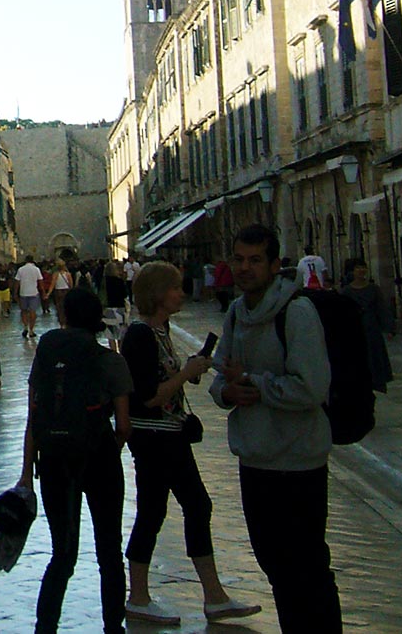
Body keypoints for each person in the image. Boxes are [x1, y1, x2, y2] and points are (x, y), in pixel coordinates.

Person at [209, 224, 342, 631]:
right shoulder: (236, 312)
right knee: (274, 565)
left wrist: (255, 384)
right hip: (255, 460)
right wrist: (229, 392)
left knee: (307, 568)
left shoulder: (296, 313)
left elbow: (312, 386)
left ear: (273, 265)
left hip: (298, 462)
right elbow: (220, 378)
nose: (245, 268)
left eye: (255, 260)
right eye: (239, 259)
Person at [121, 263, 260, 625]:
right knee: (159, 511)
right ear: (158, 293)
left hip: (171, 434)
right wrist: (185, 373)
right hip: (153, 436)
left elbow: (165, 380)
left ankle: (212, 596)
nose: (182, 293)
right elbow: (148, 397)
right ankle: (140, 596)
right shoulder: (139, 335)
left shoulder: (160, 330)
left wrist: (193, 369)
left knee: (194, 506)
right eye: (175, 288)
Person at [19, 289, 131, 634]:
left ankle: (45, 628)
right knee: (109, 552)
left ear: (65, 317)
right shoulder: (111, 361)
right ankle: (113, 627)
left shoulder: (46, 357)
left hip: (54, 460)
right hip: (100, 459)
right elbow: (124, 425)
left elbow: (33, 416)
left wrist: (26, 472)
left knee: (62, 554)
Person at [339, 259, 393, 394]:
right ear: (352, 271)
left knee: (374, 358)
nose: (361, 270)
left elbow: (382, 309)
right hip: (355, 331)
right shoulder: (346, 292)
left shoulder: (374, 289)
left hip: (372, 330)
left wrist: (388, 328)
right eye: (358, 268)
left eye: (363, 267)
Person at [15, 255, 44, 340]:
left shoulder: (20, 269)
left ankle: (25, 327)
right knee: (32, 311)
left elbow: (17, 281)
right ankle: (31, 330)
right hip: (33, 292)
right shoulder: (36, 269)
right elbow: (40, 281)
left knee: (23, 311)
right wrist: (43, 292)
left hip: (23, 292)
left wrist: (15, 292)